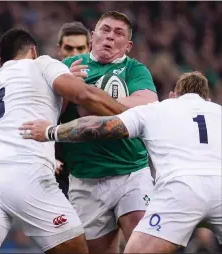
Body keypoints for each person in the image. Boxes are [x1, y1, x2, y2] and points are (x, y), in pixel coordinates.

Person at [20, 71, 222, 254]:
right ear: (208, 99)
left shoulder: (157, 109)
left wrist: (50, 131)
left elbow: (96, 126)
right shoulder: (218, 111)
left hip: (181, 189)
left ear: (172, 95)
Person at [24, 10, 158, 254]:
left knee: (143, 245)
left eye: (118, 34)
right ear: (93, 35)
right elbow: (44, 115)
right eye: (105, 30)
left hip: (130, 172)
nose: (109, 37)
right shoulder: (66, 68)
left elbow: (147, 109)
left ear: (127, 46)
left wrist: (84, 96)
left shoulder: (136, 71)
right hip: (85, 179)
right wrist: (65, 95)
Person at [0, 28, 127, 254]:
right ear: (34, 51)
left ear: (0, 60)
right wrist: (129, 115)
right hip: (28, 173)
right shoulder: (42, 63)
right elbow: (84, 94)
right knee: (75, 248)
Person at [55, 22, 91, 198]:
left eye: (80, 49)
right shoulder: (45, 80)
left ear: (89, 49)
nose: (75, 55)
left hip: (93, 170)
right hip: (56, 170)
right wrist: (67, 85)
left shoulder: (105, 82)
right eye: (68, 48)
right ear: (58, 49)